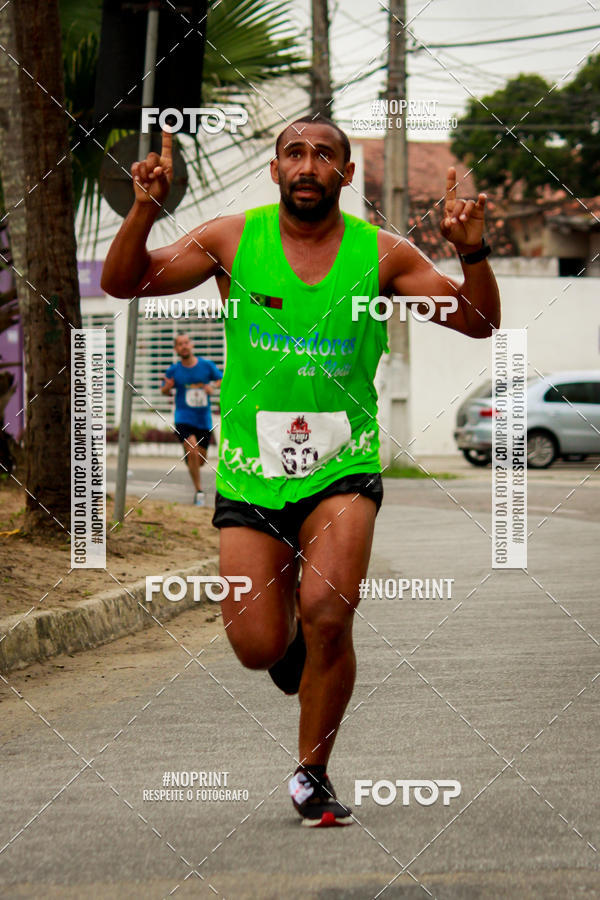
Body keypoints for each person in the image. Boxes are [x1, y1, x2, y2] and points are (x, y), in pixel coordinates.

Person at [101, 114, 500, 827]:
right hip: (251, 473)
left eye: (324, 155)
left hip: (342, 467)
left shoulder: (382, 254)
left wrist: (475, 254)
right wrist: (141, 212)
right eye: (294, 153)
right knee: (257, 647)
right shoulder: (231, 239)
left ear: (346, 176)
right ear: (276, 170)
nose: (308, 165)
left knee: (327, 613)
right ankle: (289, 652)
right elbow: (126, 283)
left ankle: (312, 771)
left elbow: (476, 320)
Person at [161, 332, 222, 506]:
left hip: (203, 420)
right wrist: (168, 387)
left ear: (191, 345)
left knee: (200, 460)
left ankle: (192, 459)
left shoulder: (206, 366)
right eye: (180, 344)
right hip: (183, 418)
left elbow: (220, 379)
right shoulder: (174, 370)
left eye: (186, 342)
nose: (184, 346)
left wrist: (211, 386)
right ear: (176, 349)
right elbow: (163, 390)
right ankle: (199, 491)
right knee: (192, 448)